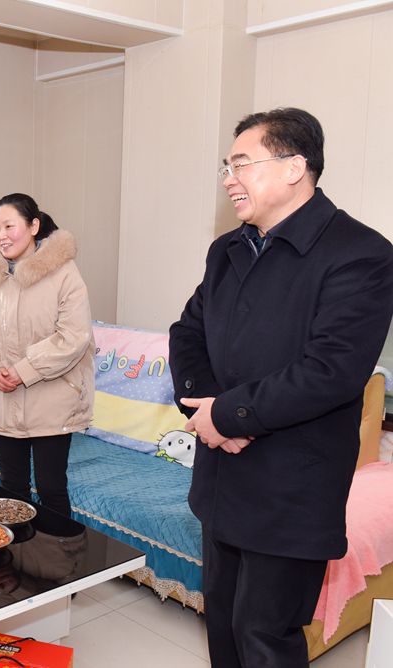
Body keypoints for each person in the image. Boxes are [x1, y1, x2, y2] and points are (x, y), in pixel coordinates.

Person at [169, 108, 393, 668]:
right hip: (221, 479)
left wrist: (227, 417)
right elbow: (187, 332)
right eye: (227, 166)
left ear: (295, 167)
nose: (228, 179)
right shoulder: (227, 249)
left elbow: (330, 371)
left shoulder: (361, 254)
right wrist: (206, 411)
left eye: (241, 163)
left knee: (265, 638)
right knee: (222, 627)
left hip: (291, 487)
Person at [0, 193, 94, 517]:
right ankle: (17, 551)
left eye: (10, 226)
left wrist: (24, 370)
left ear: (33, 226)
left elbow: (73, 336)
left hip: (53, 401)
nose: (2, 235)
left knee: (51, 489)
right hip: (4, 401)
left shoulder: (64, 273)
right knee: (11, 488)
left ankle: (59, 551)